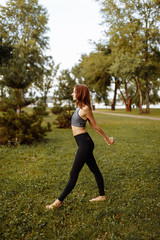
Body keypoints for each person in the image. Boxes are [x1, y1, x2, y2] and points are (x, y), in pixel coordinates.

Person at [46, 84, 114, 209]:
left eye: (74, 92)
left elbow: (95, 126)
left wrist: (107, 139)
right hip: (82, 142)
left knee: (73, 173)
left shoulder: (86, 108)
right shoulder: (79, 107)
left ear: (80, 93)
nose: (72, 94)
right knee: (95, 170)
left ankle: (58, 202)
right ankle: (102, 196)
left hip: (85, 143)